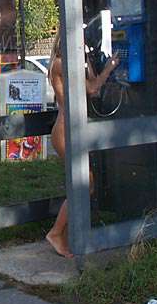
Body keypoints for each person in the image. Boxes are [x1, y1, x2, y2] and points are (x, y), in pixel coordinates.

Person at [45, 33, 119, 258]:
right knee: (84, 184)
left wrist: (89, 61)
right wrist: (109, 68)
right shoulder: (61, 64)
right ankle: (56, 233)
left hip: (73, 129)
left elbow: (92, 89)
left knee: (86, 183)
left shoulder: (69, 63)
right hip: (66, 131)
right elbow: (92, 88)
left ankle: (67, 233)